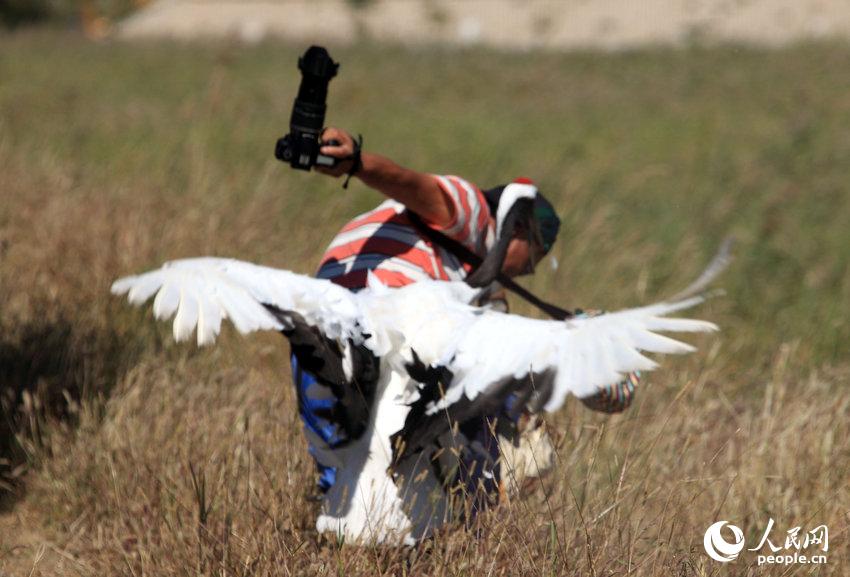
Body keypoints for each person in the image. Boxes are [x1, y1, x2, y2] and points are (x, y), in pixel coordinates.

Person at [291, 127, 636, 506]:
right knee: (494, 415)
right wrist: (358, 162)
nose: (530, 272)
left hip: (316, 341)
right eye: (536, 255)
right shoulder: (474, 213)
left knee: (345, 488)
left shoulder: (455, 265)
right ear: (517, 229)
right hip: (383, 330)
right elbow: (416, 186)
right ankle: (471, 523)